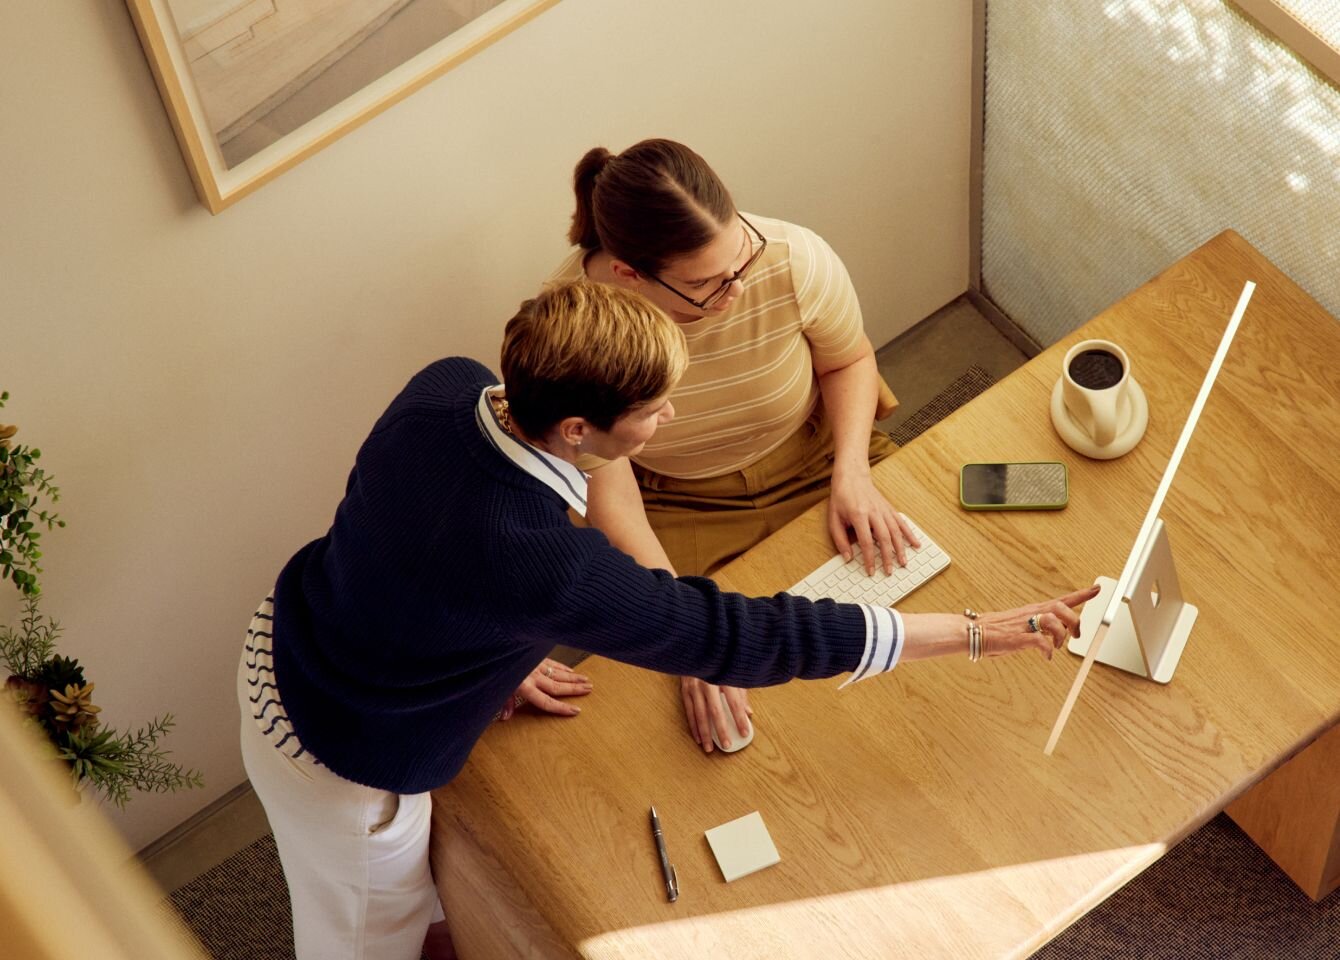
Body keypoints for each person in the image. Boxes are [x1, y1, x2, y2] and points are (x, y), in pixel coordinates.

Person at [238, 279, 1099, 960]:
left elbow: (396, 540)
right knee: (362, 940)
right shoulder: (541, 564)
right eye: (651, 411)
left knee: (433, 899)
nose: (668, 419)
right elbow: (744, 636)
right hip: (339, 754)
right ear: (577, 428)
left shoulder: (449, 387)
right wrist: (982, 632)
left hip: (294, 629)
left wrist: (492, 646)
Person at [547, 138, 912, 751]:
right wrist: (685, 631)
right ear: (629, 275)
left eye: (740, 261)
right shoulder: (574, 331)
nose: (737, 291)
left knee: (927, 572)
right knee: (751, 706)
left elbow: (849, 360)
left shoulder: (794, 257)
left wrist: (853, 473)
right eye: (707, 284)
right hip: (679, 504)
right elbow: (609, 492)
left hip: (818, 455)